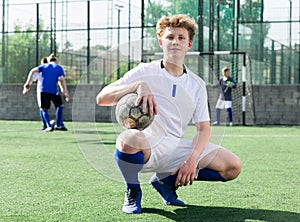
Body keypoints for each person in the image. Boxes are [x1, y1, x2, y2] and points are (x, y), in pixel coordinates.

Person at [96, 14, 241, 214]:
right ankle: (133, 189)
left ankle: (165, 181)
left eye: (181, 38)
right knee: (127, 138)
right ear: (161, 41)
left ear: (189, 44)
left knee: (232, 166)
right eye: (170, 37)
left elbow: (203, 129)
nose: (175, 42)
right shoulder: (144, 71)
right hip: (146, 144)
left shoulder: (197, 84)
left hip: (175, 146)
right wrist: (137, 85)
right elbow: (101, 98)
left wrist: (192, 159)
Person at [23, 54, 70, 131]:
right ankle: (58, 124)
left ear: (48, 60)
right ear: (56, 61)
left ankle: (48, 126)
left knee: (43, 108)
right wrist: (65, 92)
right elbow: (62, 80)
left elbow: (32, 70)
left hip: (43, 90)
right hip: (54, 91)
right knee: (60, 106)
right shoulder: (59, 68)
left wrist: (27, 84)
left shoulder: (44, 66)